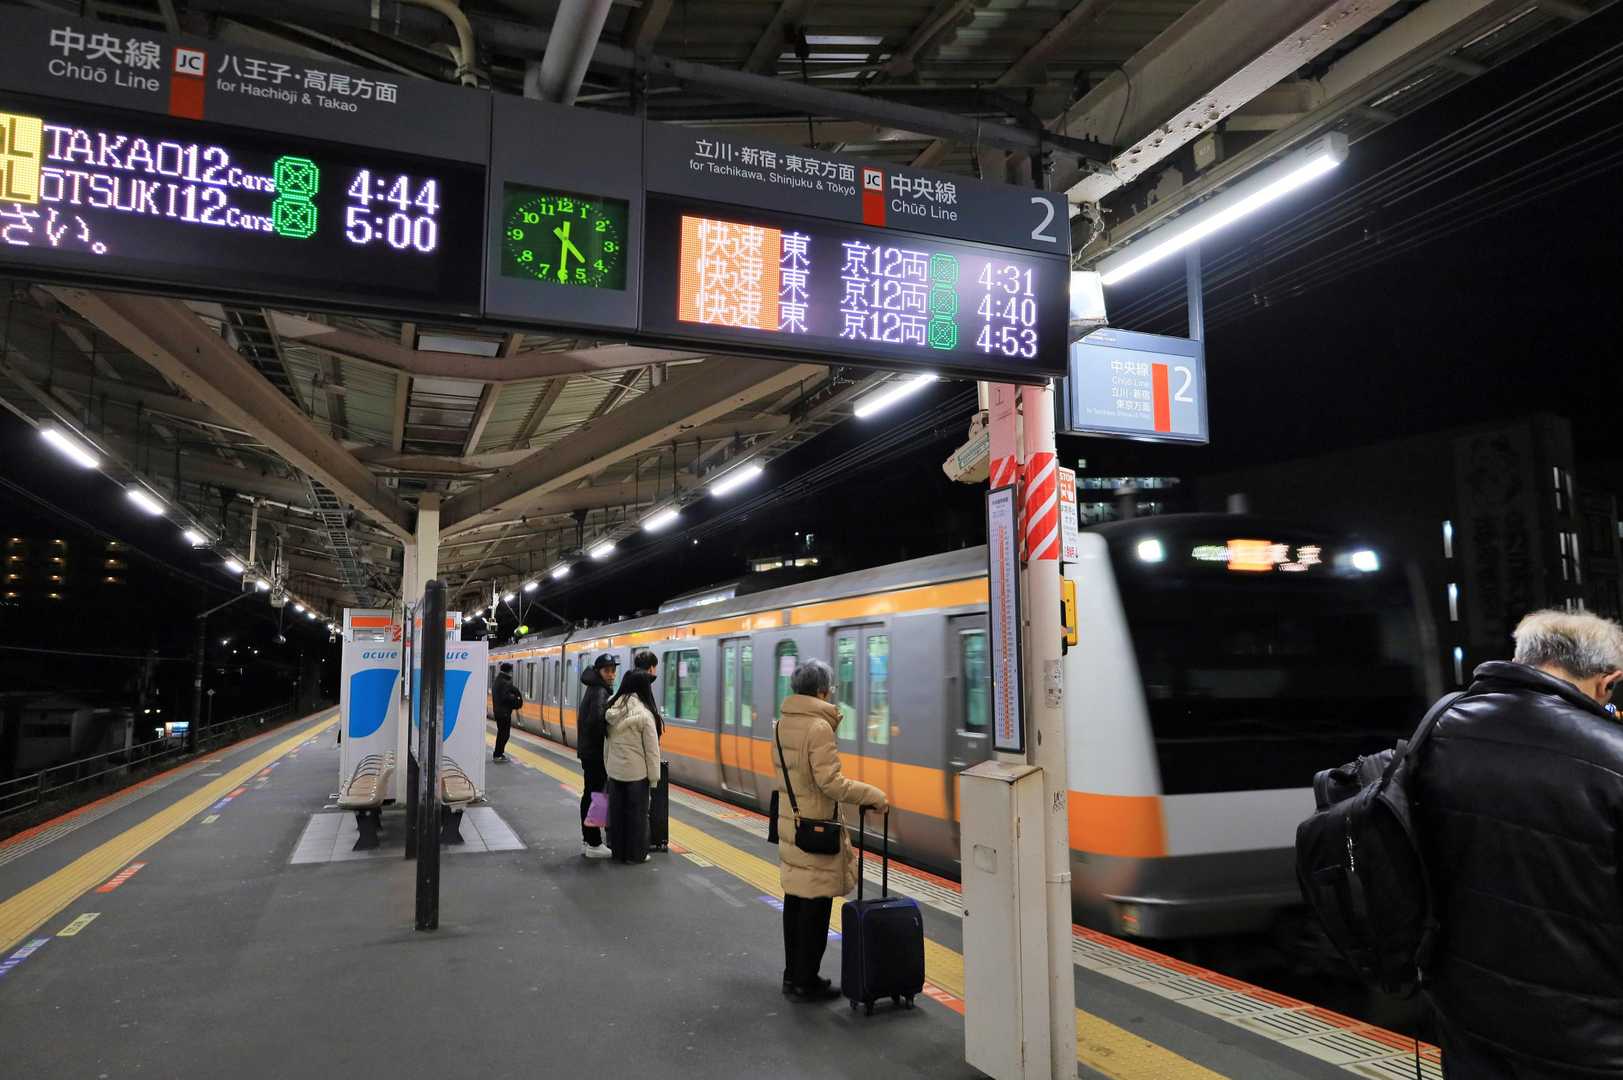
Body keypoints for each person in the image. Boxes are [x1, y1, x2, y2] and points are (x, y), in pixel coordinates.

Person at [1415, 609, 1623, 1078]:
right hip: (1590, 1036)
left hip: (1469, 1012)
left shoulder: (1439, 730)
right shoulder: (1613, 757)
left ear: (1521, 659)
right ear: (1608, 681)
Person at [773, 658, 887, 1002]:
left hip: (792, 825)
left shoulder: (782, 724)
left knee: (795, 902)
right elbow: (831, 783)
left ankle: (792, 975)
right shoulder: (818, 727)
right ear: (822, 692)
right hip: (816, 830)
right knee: (815, 908)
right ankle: (806, 981)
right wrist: (872, 795)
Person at [603, 669, 663, 865]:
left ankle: (618, 852)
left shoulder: (611, 709)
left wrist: (608, 766)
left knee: (617, 814)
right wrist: (654, 779)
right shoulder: (645, 714)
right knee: (638, 817)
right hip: (637, 775)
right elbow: (652, 751)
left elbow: (607, 744)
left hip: (615, 772)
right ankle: (636, 855)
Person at [577, 653, 619, 859]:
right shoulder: (600, 692)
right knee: (598, 796)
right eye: (607, 671)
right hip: (595, 754)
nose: (611, 675)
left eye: (613, 670)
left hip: (589, 752)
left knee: (590, 794)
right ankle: (594, 843)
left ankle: (588, 839)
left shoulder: (594, 688)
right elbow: (597, 722)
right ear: (598, 672)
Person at [633, 650, 670, 851]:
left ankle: (625, 845)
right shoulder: (643, 699)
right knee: (640, 808)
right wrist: (654, 776)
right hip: (638, 767)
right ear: (651, 668)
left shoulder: (624, 697)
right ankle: (637, 848)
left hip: (626, 766)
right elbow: (651, 742)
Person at [491, 662, 522, 762]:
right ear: (509, 671)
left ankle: (498, 754)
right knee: (504, 734)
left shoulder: (498, 680)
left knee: (501, 733)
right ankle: (498, 755)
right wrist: (515, 698)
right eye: (511, 671)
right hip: (504, 712)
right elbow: (505, 697)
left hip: (498, 711)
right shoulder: (505, 682)